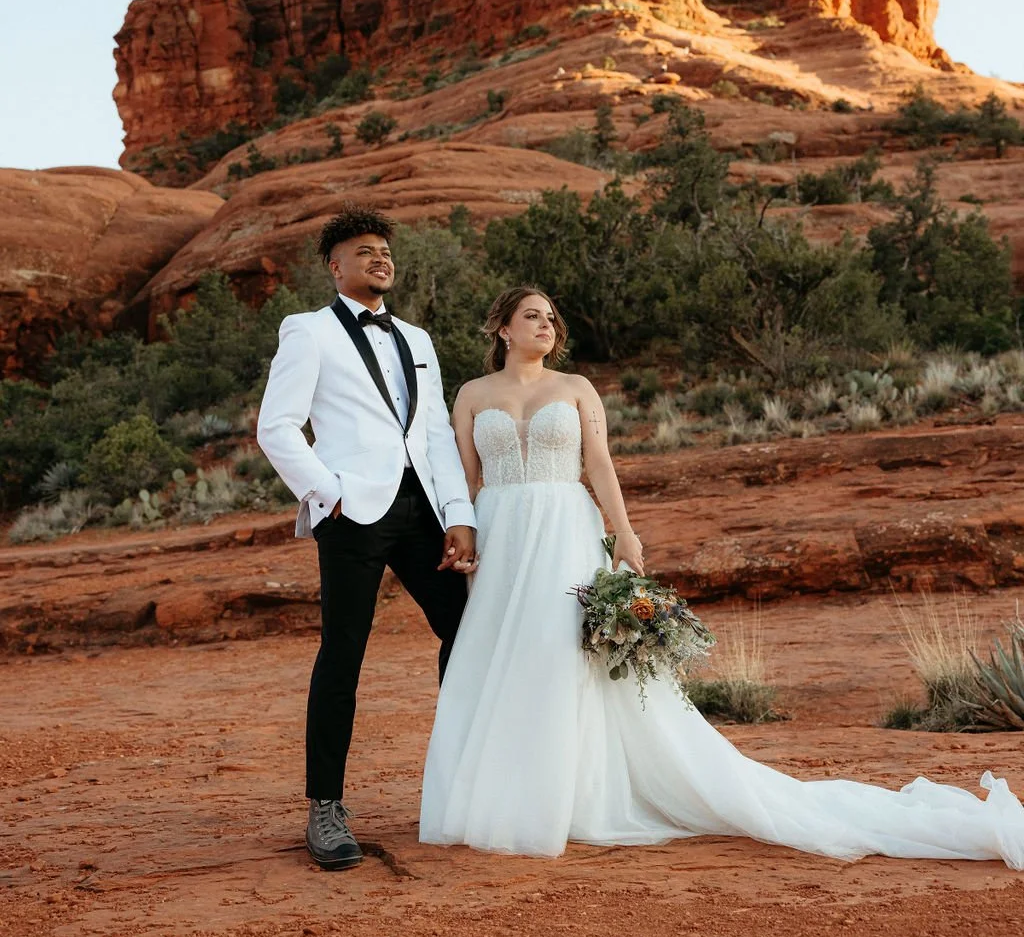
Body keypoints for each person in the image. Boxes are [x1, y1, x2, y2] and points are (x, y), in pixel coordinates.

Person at [419, 286, 1024, 868]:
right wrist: (462, 531)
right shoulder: (472, 393)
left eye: (551, 317)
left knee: (561, 654)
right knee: (504, 655)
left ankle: (567, 795)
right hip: (502, 534)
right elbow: (466, 479)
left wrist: (623, 531)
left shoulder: (576, 387)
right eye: (532, 316)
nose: (546, 325)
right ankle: (503, 792)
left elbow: (599, 465)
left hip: (564, 530)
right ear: (503, 328)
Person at [257, 205, 476, 870]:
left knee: (470, 632)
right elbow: (277, 427)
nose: (380, 258)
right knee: (343, 656)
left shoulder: (417, 338)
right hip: (353, 512)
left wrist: (458, 510)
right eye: (364, 250)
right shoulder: (308, 331)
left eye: (385, 248)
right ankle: (325, 806)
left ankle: (463, 780)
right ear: (336, 265)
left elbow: (434, 432)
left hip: (422, 512)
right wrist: (332, 495)